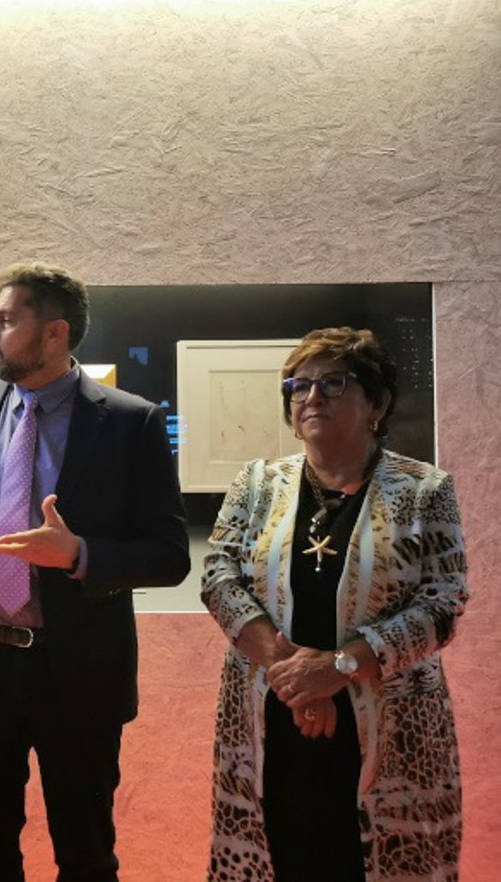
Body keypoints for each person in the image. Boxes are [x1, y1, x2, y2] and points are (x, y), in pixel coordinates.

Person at [0, 263, 190, 881]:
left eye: (6, 319)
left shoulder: (129, 421)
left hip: (78, 666)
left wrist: (79, 555)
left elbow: (169, 554)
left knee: (86, 852)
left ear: (55, 333)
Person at [201, 327, 468, 881]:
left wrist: (339, 668)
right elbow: (218, 577)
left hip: (391, 726)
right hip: (270, 718)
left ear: (377, 404)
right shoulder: (257, 483)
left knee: (375, 861)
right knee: (280, 851)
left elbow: (443, 603)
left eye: (333, 383)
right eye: (298, 386)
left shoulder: (425, 489)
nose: (311, 397)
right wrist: (297, 677)